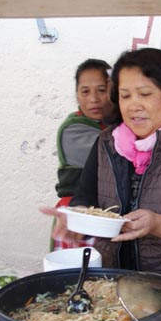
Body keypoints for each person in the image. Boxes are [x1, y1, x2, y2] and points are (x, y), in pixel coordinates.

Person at [41, 48, 161, 296]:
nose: (134, 106)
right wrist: (75, 219)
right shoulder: (106, 143)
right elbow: (85, 199)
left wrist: (158, 223)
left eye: (145, 94)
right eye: (125, 96)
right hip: (114, 288)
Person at [52, 58, 115, 251]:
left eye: (102, 90)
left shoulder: (108, 125)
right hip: (78, 214)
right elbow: (116, 153)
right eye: (85, 91)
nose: (93, 99)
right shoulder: (73, 129)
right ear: (77, 95)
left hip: (105, 217)